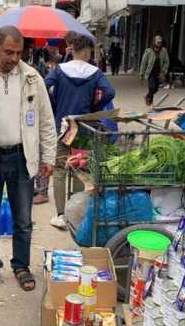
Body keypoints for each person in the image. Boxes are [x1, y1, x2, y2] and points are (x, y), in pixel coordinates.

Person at [0, 26, 57, 292]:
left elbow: (46, 120)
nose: (13, 58)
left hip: (22, 156)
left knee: (23, 218)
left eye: (19, 52)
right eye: (8, 51)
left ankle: (21, 265)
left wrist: (49, 156)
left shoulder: (32, 77)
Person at [46, 35, 115, 229]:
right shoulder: (95, 72)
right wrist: (95, 104)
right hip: (83, 125)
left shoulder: (60, 70)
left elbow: (46, 84)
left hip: (63, 125)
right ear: (87, 51)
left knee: (60, 168)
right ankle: (73, 213)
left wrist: (56, 104)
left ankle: (60, 215)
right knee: (78, 167)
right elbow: (109, 92)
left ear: (72, 49)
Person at [139, 35, 169, 107]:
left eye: (160, 42)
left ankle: (147, 96)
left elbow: (166, 62)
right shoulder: (148, 51)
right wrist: (141, 75)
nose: (159, 44)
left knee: (155, 89)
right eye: (158, 42)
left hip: (159, 73)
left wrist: (164, 71)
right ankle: (151, 103)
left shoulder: (164, 51)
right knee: (151, 87)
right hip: (150, 73)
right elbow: (143, 63)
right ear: (154, 42)